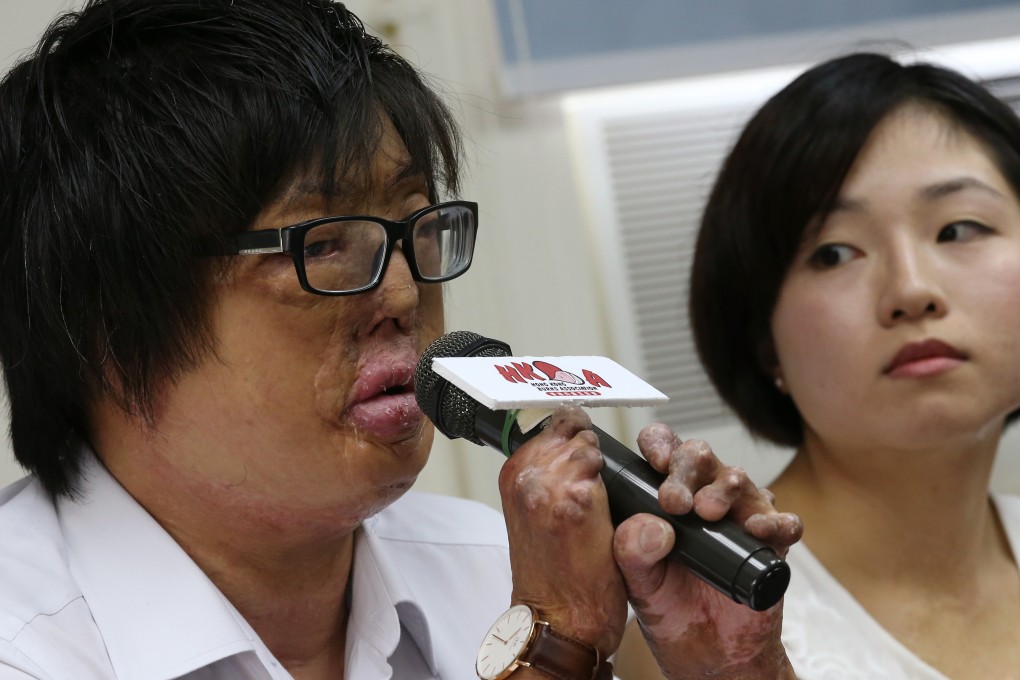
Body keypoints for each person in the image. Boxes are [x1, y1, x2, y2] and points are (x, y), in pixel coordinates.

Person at [0, 1, 802, 678]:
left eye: (417, 225)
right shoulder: (24, 643)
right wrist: (553, 645)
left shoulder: (488, 562)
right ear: (107, 326)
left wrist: (730, 665)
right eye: (322, 246)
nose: (403, 295)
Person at [618, 51, 1020, 679]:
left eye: (958, 229)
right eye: (834, 253)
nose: (912, 290)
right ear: (763, 340)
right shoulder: (699, 631)